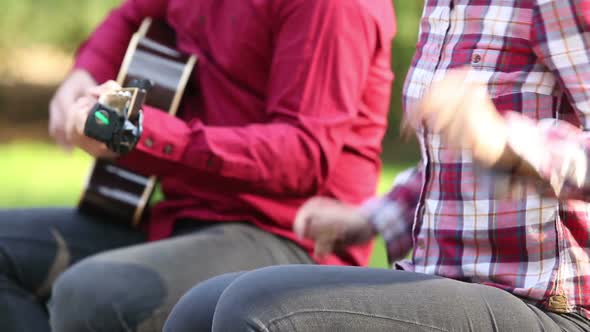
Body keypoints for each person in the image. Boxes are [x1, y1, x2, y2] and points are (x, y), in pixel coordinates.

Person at [163, 0, 590, 331]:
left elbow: (493, 143)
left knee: (256, 311)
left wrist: (507, 145)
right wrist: (368, 218)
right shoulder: (445, 8)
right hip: (446, 280)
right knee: (198, 311)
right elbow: (450, 166)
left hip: (549, 306)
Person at [0, 0, 396, 331]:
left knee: (94, 292)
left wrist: (143, 133)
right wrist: (85, 73)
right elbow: (133, 14)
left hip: (289, 237)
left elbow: (303, 153)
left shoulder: (333, 6)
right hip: (181, 216)